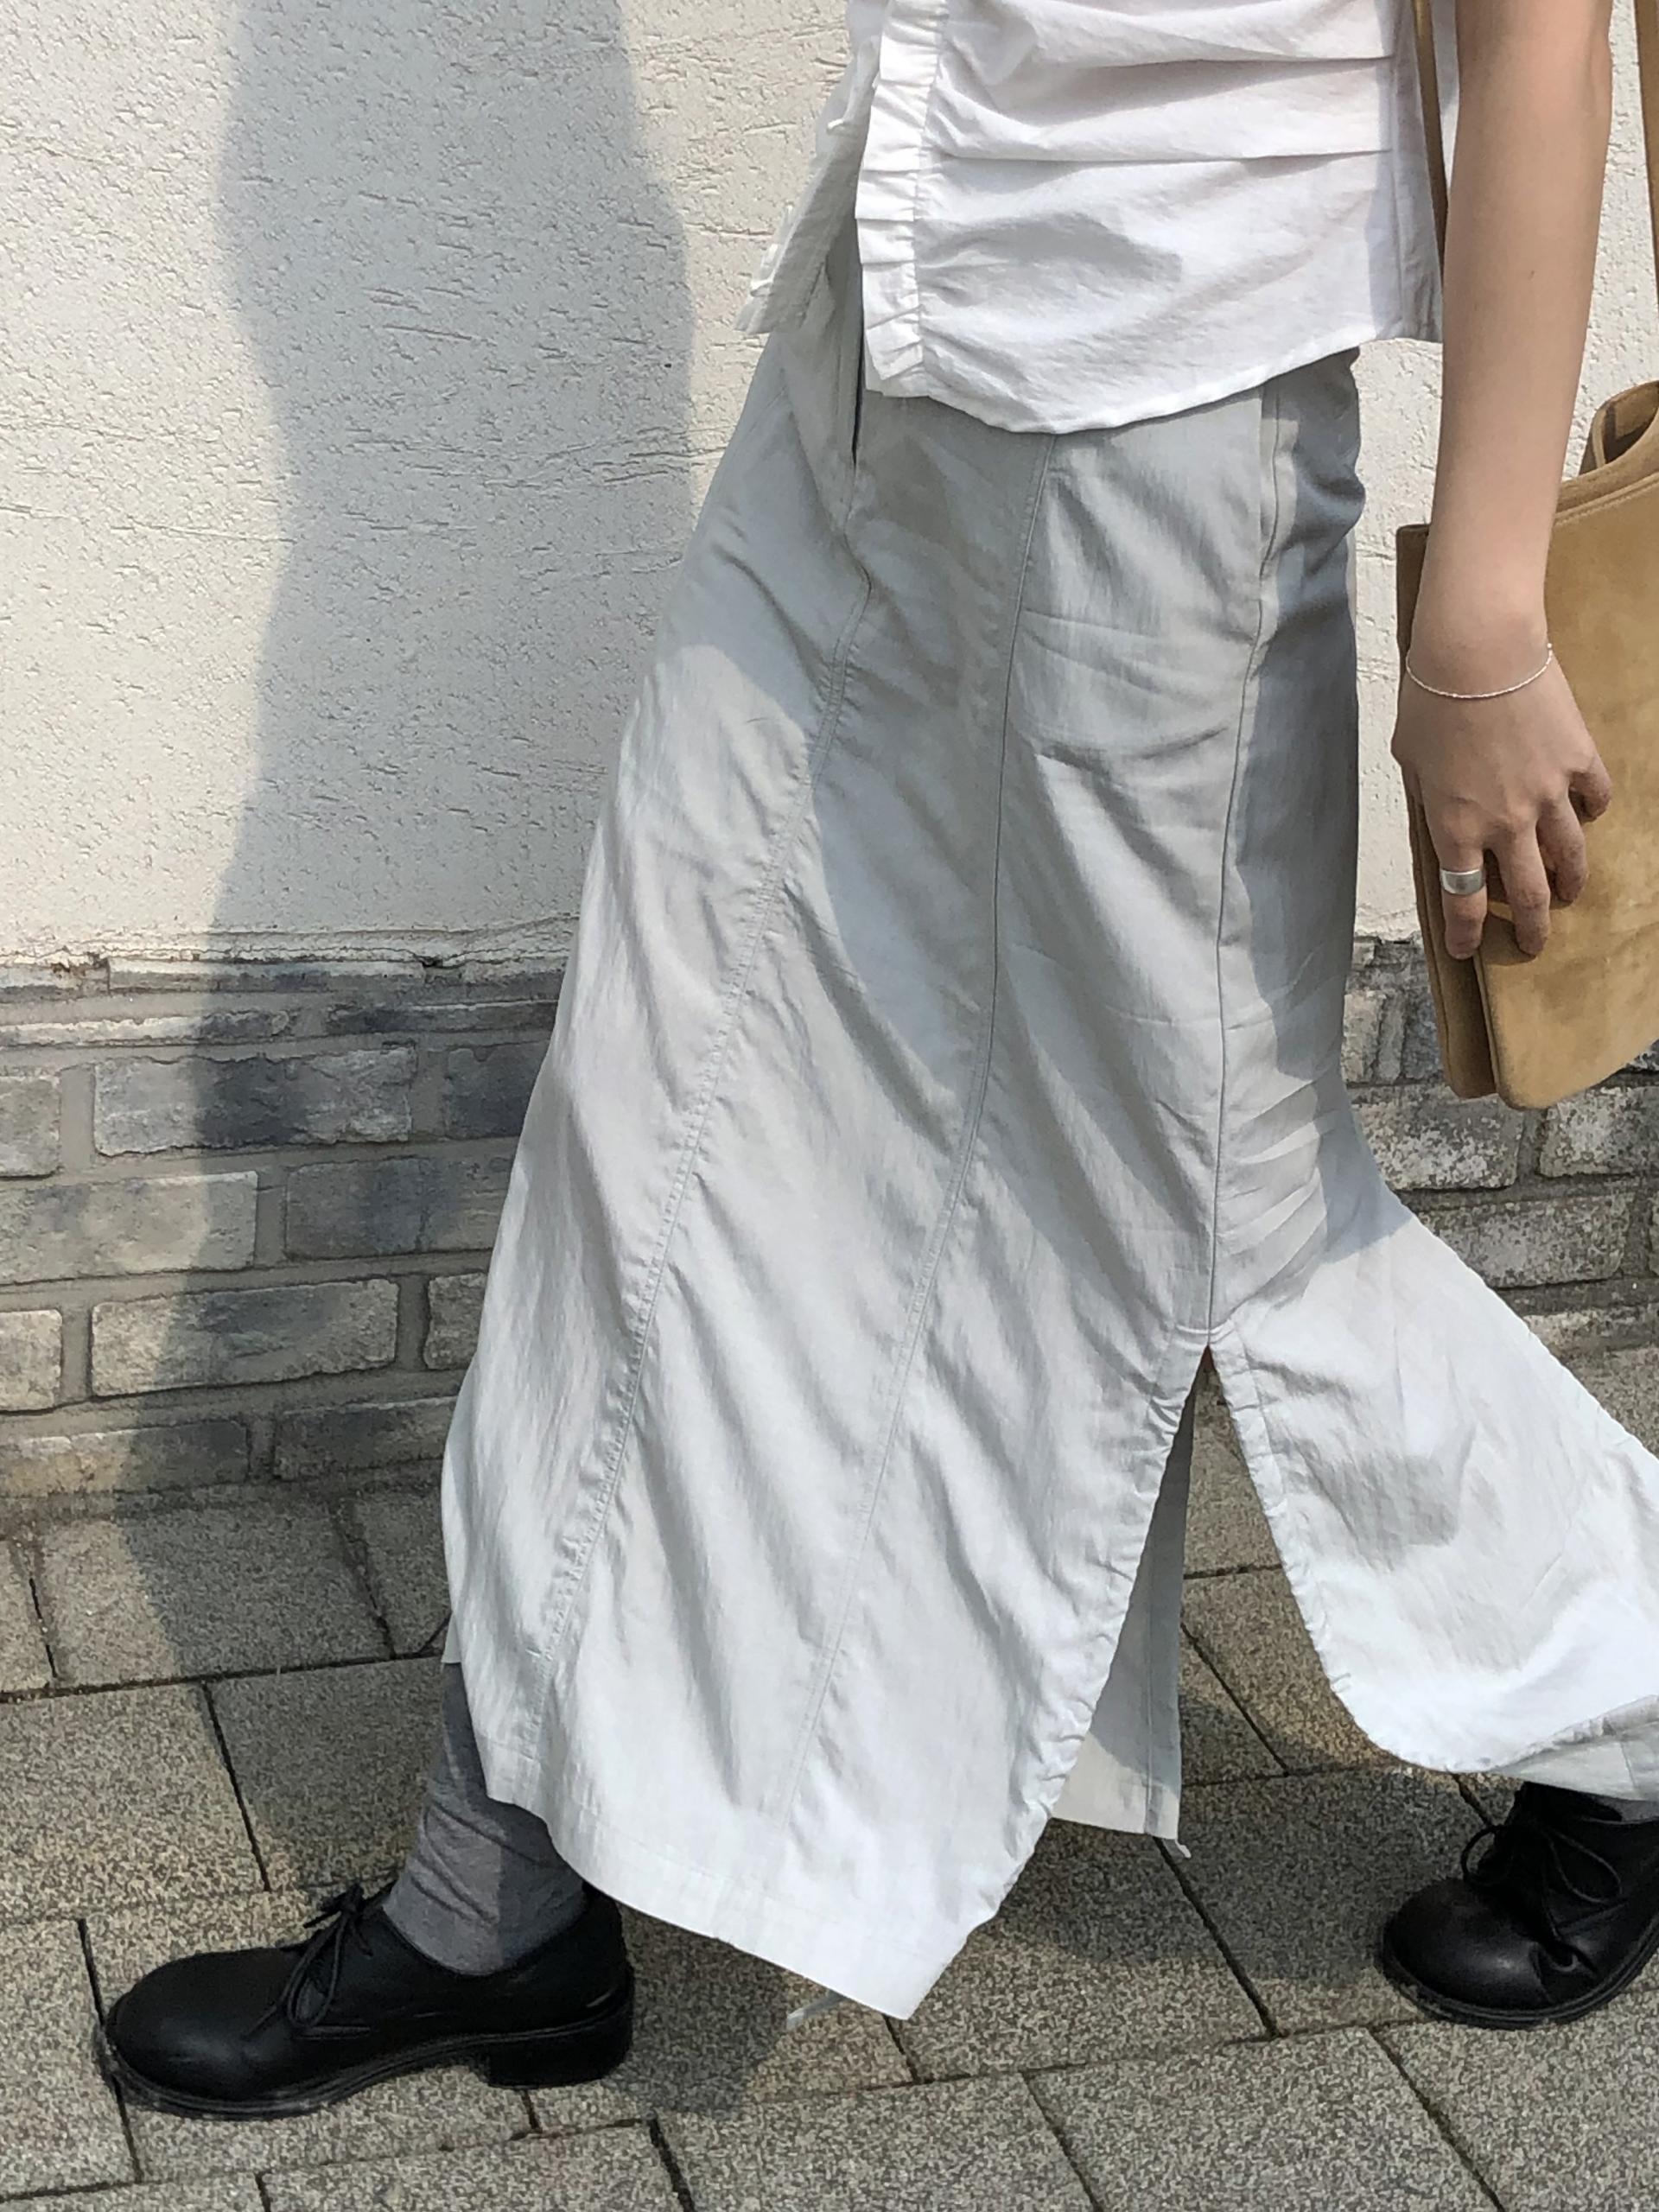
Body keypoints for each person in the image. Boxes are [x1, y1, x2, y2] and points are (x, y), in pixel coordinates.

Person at [100, 0, 1659, 2119]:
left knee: (1218, 1212)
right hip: (882, 325)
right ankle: (498, 1890)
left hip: (1161, 409)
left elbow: (1542, 41)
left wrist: (1480, 618)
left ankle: (1629, 1682)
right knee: (655, 1092)